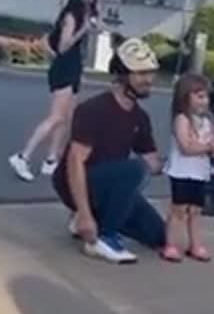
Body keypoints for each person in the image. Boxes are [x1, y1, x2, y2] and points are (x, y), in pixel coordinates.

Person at [53, 38, 166, 264]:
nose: (148, 80)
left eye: (151, 73)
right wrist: (84, 213)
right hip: (77, 181)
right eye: (141, 73)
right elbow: (75, 162)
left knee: (159, 236)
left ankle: (96, 218)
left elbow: (153, 163)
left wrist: (192, 156)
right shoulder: (93, 109)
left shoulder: (140, 117)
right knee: (134, 169)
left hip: (113, 185)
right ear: (122, 75)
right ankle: (103, 238)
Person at [9, 0, 98, 181]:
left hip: (73, 68)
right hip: (64, 69)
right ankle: (23, 156)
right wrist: (83, 30)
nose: (89, 4)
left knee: (67, 117)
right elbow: (63, 46)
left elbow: (51, 42)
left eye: (91, 1)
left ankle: (51, 160)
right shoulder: (70, 17)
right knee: (56, 117)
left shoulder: (83, 16)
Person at [161, 74, 214, 263]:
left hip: (199, 172)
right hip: (182, 171)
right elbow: (186, 147)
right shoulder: (182, 120)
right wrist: (207, 147)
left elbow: (207, 143)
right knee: (179, 209)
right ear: (185, 97)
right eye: (199, 96)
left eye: (206, 97)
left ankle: (196, 244)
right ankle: (170, 244)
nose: (205, 101)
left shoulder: (206, 121)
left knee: (195, 210)